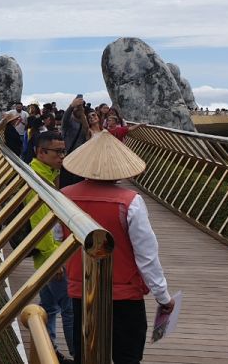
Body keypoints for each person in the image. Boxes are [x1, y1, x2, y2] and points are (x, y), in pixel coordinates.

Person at [60, 131, 174, 364]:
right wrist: (163, 296)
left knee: (87, 355)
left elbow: (59, 241)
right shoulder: (130, 201)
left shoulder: (63, 197)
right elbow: (146, 255)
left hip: (82, 289)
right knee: (127, 356)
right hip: (123, 293)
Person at [27, 131, 74, 363]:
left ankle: (50, 350)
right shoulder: (36, 179)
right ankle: (80, 355)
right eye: (58, 152)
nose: (62, 156)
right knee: (69, 308)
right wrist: (55, 260)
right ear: (41, 152)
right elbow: (40, 224)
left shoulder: (48, 173)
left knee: (49, 307)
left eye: (64, 151)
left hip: (48, 257)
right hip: (51, 258)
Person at [60, 96, 90, 187]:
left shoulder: (85, 123)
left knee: (78, 183)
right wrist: (72, 106)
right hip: (68, 155)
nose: (78, 109)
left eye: (81, 107)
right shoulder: (68, 122)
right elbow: (65, 117)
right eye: (77, 107)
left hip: (80, 158)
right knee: (66, 182)